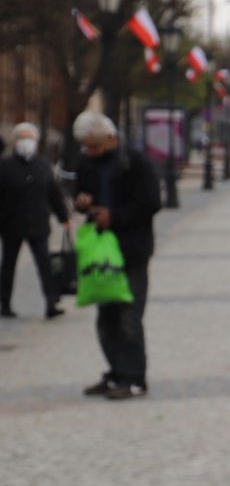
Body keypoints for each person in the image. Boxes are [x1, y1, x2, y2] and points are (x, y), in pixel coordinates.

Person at [73, 111, 160, 400]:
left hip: (131, 249)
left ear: (110, 138)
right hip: (101, 250)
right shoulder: (86, 162)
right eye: (86, 146)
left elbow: (151, 203)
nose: (90, 151)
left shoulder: (135, 161)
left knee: (129, 317)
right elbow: (81, 192)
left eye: (94, 146)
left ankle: (135, 380)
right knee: (106, 318)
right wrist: (83, 202)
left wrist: (116, 217)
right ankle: (116, 374)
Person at [0, 123, 70, 320]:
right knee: (8, 265)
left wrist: (64, 217)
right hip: (11, 224)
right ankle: (5, 303)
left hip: (38, 223)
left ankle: (51, 302)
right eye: (22, 137)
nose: (26, 142)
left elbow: (54, 194)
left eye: (29, 138)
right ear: (15, 142)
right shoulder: (5, 166)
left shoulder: (43, 165)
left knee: (45, 264)